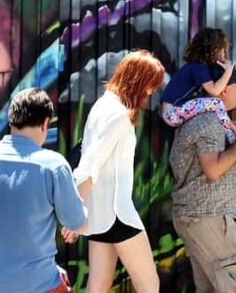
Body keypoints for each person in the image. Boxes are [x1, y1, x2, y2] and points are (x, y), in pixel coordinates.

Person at [0, 87, 86, 293]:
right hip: (37, 287)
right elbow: (78, 224)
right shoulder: (54, 166)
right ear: (45, 124)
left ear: (11, 121)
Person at [66, 50, 165, 293]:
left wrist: (79, 212)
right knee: (150, 285)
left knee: (98, 285)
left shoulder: (103, 105)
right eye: (150, 85)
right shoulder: (119, 114)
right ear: (138, 81)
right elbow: (90, 164)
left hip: (99, 216)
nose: (150, 92)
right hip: (118, 213)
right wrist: (74, 214)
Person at [169, 63, 236, 293]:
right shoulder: (209, 122)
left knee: (210, 287)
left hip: (200, 216)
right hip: (208, 216)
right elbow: (213, 170)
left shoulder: (205, 119)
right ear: (225, 89)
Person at [159, 27, 236, 160]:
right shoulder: (199, 67)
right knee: (216, 103)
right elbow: (215, 90)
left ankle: (235, 140)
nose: (225, 55)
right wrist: (229, 70)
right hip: (173, 113)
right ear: (215, 50)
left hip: (175, 112)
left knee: (213, 108)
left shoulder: (195, 66)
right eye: (224, 50)